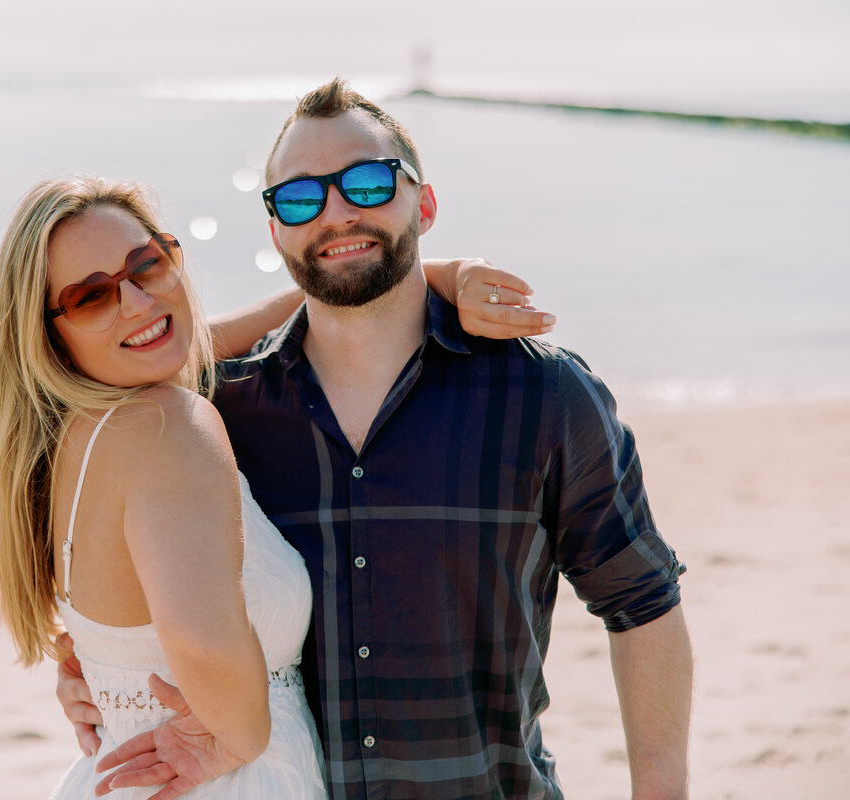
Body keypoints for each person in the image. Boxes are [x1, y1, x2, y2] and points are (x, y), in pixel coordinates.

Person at [65, 79, 692, 800]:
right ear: (275, 231)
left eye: (365, 183)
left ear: (422, 203)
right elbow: (112, 557)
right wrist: (89, 667)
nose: (335, 214)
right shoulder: (214, 418)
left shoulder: (543, 398)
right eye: (301, 198)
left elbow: (643, 604)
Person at [0, 176, 543, 799]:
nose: (137, 302)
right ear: (47, 332)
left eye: (148, 264)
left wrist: (438, 275)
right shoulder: (168, 421)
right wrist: (240, 739)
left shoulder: (74, 439)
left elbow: (268, 320)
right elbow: (202, 641)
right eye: (90, 297)